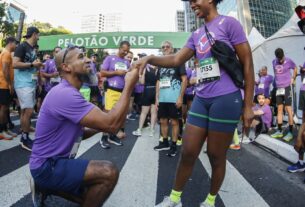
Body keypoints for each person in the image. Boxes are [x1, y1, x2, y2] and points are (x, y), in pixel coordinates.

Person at [135, 0, 254, 206]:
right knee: (188, 152)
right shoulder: (196, 34)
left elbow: (248, 62)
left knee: (216, 156)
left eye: (194, 0)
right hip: (201, 98)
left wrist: (249, 106)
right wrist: (151, 58)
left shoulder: (229, 23)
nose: (191, 4)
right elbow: (175, 60)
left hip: (226, 99)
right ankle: (174, 199)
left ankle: (210, 201)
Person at [29, 46, 140, 207]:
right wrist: (129, 84)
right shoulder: (65, 94)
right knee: (108, 172)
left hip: (52, 163)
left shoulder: (69, 91)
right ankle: (45, 182)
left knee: (90, 196)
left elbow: (83, 132)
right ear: (66, 67)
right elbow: (112, 125)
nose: (88, 60)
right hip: (47, 166)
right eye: (81, 57)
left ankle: (43, 186)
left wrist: (102, 122)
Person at [153, 41, 187, 157]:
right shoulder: (160, 64)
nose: (165, 48)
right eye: (163, 47)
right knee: (163, 121)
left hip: (174, 98)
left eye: (167, 47)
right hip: (162, 99)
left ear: (172, 49)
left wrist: (180, 98)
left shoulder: (178, 61)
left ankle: (173, 145)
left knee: (174, 122)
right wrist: (156, 98)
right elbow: (158, 81)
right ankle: (165, 142)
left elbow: (184, 79)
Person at [13, 26, 43, 151]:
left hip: (30, 83)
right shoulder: (22, 46)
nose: (39, 37)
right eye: (38, 35)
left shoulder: (31, 49)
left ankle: (24, 131)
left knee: (25, 111)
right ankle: (24, 139)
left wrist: (38, 79)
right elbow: (15, 64)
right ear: (34, 34)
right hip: (23, 83)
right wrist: (32, 64)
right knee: (28, 111)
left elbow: (33, 67)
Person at [99, 41, 131, 148]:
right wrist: (116, 73)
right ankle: (104, 138)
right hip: (111, 90)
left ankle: (112, 136)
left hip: (122, 92)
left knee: (119, 115)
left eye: (127, 51)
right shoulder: (110, 58)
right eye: (124, 50)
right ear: (119, 48)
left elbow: (129, 77)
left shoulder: (127, 62)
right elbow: (102, 73)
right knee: (108, 115)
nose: (125, 52)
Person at [270, 48, 297, 142]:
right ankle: (280, 130)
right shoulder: (274, 61)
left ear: (283, 55)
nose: (280, 60)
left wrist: (293, 78)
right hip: (279, 89)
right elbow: (275, 73)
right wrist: (277, 82)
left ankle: (290, 132)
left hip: (287, 88)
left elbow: (295, 67)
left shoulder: (288, 60)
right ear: (276, 57)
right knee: (280, 110)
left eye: (281, 58)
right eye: (279, 59)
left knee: (289, 110)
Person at [0, 37, 18, 140]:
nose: (16, 46)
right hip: (4, 85)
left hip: (3, 84)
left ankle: (5, 129)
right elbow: (5, 70)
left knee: (5, 108)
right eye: (16, 44)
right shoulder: (6, 54)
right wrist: (10, 84)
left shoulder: (4, 52)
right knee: (4, 108)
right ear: (11, 43)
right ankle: (2, 131)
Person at [132, 64, 158, 137]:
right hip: (156, 91)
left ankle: (139, 129)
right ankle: (152, 130)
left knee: (144, 112)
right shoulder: (157, 68)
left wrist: (142, 74)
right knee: (154, 112)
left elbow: (142, 82)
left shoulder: (145, 68)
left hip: (147, 90)